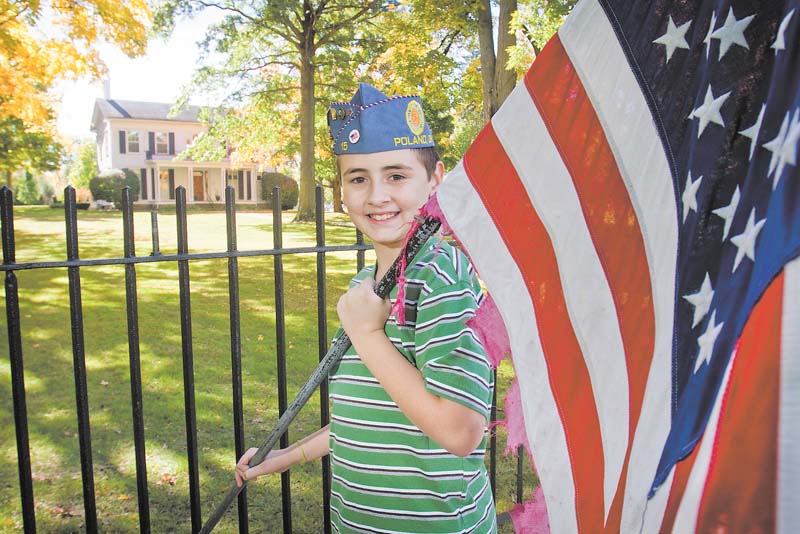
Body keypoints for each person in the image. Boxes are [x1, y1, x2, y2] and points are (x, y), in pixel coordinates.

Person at [235, 83, 497, 533]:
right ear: (341, 191)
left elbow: (461, 432)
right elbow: (370, 414)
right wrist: (285, 457)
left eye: (396, 175)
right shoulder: (365, 286)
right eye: (358, 178)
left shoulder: (442, 276)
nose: (377, 195)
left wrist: (369, 335)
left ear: (436, 181)